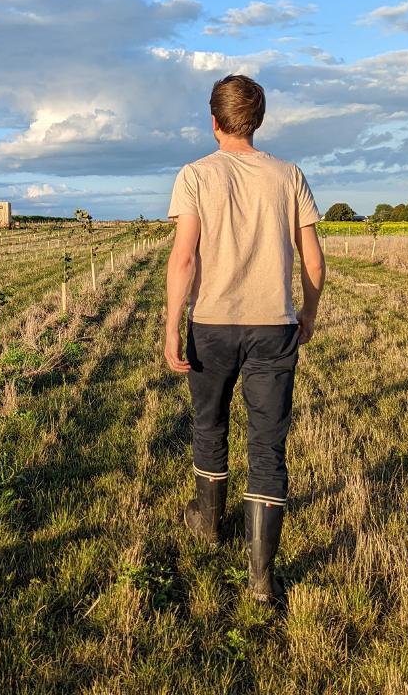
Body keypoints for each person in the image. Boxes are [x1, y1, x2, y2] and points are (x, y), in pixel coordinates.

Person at [163, 73, 326, 607]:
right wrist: (309, 312)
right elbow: (313, 259)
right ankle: (261, 578)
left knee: (209, 424)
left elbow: (184, 258)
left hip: (211, 324)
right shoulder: (289, 175)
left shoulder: (194, 176)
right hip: (274, 327)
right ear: (257, 121)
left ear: (214, 122)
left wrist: (171, 329)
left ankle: (207, 525)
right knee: (268, 447)